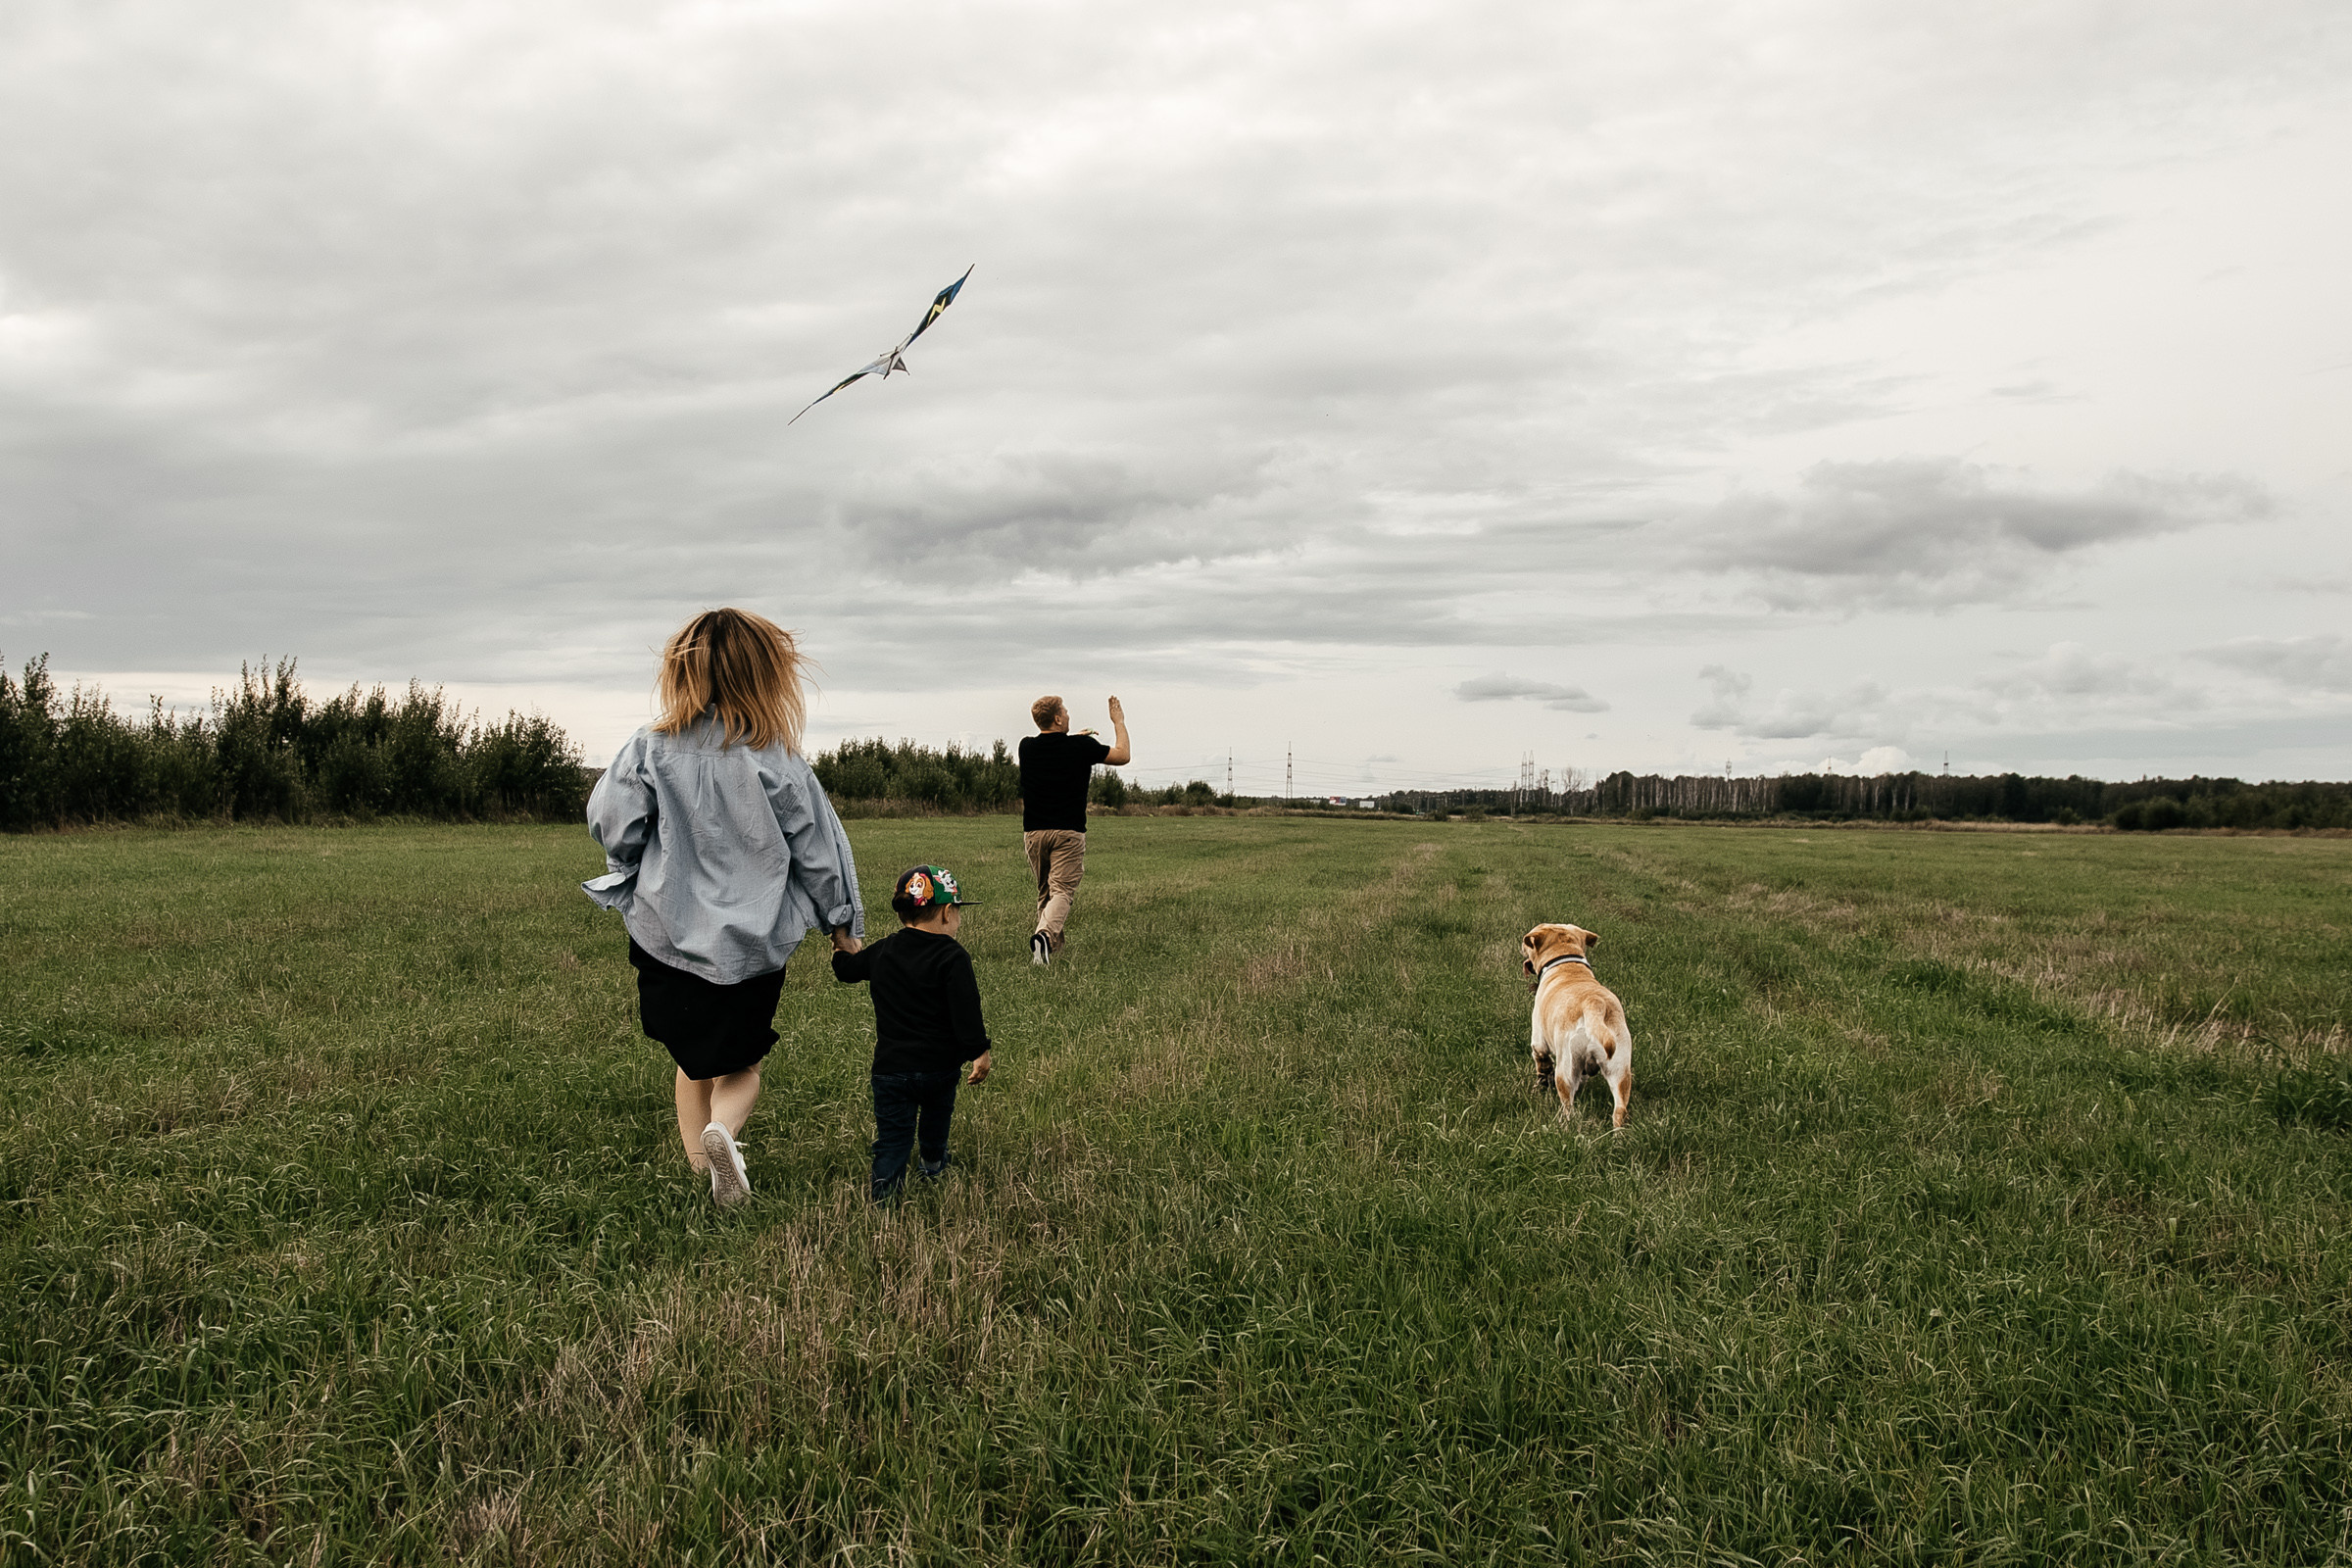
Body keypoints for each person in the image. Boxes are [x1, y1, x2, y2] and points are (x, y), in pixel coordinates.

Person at [581, 608, 864, 1208]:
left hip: (666, 935)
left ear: (682, 672)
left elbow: (612, 822)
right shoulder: (777, 758)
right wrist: (841, 923)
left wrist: (630, 861)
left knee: (691, 1061)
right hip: (750, 945)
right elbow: (818, 851)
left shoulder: (649, 746)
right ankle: (724, 1136)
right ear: (764, 676)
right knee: (742, 1064)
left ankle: (700, 1173)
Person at [832, 864, 993, 1202]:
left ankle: (885, 1195)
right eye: (958, 911)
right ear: (946, 913)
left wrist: (841, 942)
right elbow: (966, 1011)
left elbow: (847, 970)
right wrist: (980, 1053)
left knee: (893, 1139)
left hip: (891, 1070)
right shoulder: (953, 956)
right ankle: (932, 1165)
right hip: (939, 1069)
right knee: (936, 1120)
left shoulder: (884, 950)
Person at [1016, 694, 1130, 965]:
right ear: (1057, 719)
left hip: (1034, 833)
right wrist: (1118, 721)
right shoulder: (1081, 747)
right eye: (1065, 712)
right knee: (1062, 892)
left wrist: (1076, 740)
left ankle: (1048, 955)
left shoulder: (1026, 747)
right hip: (1067, 833)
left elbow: (1056, 751)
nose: (1068, 715)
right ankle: (1044, 936)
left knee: (1046, 893)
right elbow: (1123, 755)